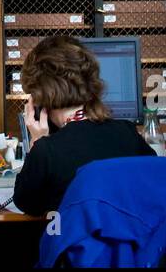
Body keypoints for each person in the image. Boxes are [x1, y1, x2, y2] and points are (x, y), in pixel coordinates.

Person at [13, 34, 154, 217]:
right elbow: (154, 183)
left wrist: (37, 142)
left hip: (77, 245)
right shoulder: (128, 132)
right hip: (134, 243)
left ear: (40, 99)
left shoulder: (47, 150)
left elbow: (27, 205)